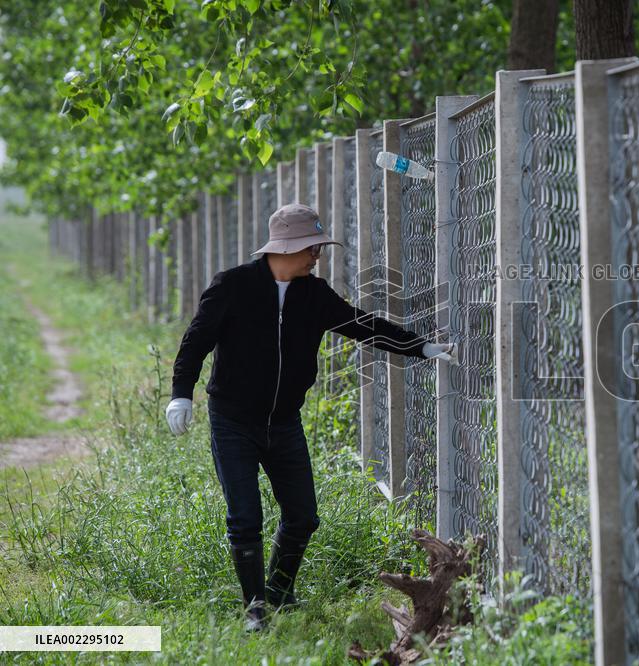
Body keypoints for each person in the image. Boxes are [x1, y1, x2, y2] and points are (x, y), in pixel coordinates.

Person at [163, 203, 455, 632]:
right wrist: (180, 395)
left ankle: (279, 592)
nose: (316, 255)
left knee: (303, 516)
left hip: (284, 423)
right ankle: (255, 611)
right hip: (233, 422)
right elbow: (195, 341)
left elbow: (362, 325)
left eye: (317, 247)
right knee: (244, 516)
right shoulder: (233, 286)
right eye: (311, 247)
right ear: (285, 247)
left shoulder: (313, 295)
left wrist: (422, 348)